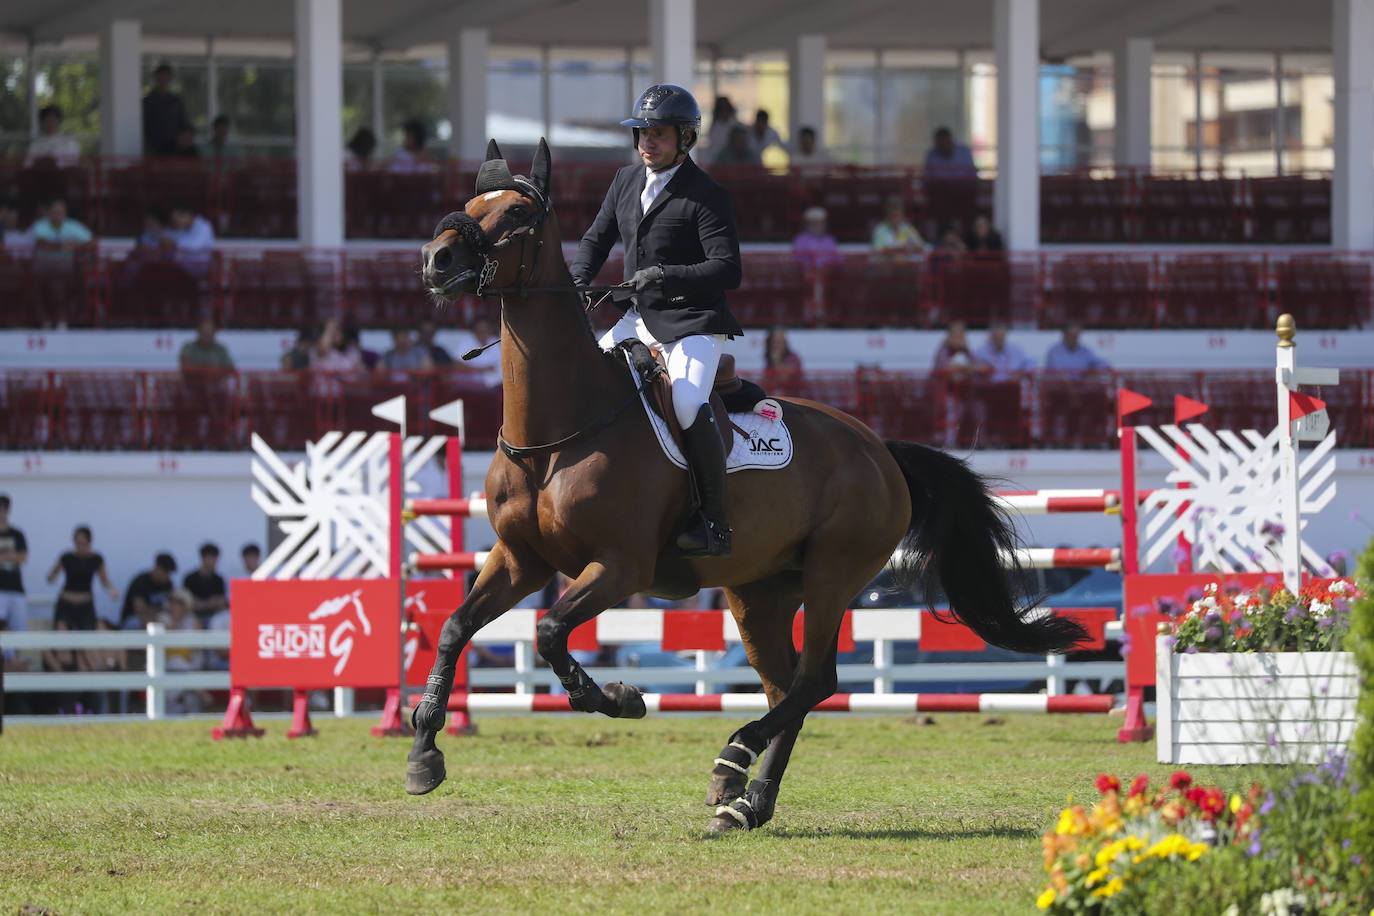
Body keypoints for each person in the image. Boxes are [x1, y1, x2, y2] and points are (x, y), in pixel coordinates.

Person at [570, 83, 744, 558]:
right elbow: (594, 240)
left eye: (660, 134)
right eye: (642, 133)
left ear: (685, 139)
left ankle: (713, 522)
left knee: (686, 403)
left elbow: (728, 269)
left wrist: (664, 276)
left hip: (692, 322)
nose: (648, 142)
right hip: (638, 318)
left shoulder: (707, 195)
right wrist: (580, 281)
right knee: (589, 383)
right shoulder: (625, 182)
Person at [43, 525, 119, 674]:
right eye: (77, 543)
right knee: (62, 636)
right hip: (66, 603)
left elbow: (104, 581)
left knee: (87, 639)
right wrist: (50, 577)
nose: (80, 547)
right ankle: (64, 671)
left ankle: (91, 671)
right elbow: (52, 575)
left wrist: (112, 591)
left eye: (83, 543)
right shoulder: (67, 557)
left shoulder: (96, 559)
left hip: (85, 605)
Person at [0, 495, 29, 666]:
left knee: (19, 628)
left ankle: (14, 660)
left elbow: (23, 557)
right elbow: (16, 556)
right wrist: (10, 557)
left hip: (16, 589)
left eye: (4, 510)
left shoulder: (17, 534)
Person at [120, 552, 177, 630]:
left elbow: (171, 606)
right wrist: (160, 611)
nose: (168, 576)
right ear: (157, 568)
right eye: (165, 572)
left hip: (157, 619)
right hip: (134, 620)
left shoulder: (168, 584)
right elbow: (140, 610)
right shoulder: (141, 582)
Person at [143, 62, 189, 157]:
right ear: (156, 78)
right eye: (161, 77)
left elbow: (183, 123)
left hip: (173, 150)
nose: (163, 80)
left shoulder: (175, 101)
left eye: (166, 77)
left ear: (170, 78)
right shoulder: (148, 101)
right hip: (153, 149)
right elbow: (144, 125)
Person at [183, 542, 227, 629]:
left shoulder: (218, 580)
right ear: (203, 558)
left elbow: (221, 602)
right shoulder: (190, 579)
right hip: (195, 616)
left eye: (215, 559)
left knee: (222, 619)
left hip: (214, 616)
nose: (214, 562)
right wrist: (208, 603)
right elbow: (188, 604)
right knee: (189, 621)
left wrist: (204, 603)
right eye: (211, 559)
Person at [167, 202, 215, 278]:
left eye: (177, 220)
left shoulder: (204, 226)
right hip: (184, 269)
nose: (176, 223)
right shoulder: (183, 229)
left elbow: (195, 247)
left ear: (187, 215)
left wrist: (173, 243)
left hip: (200, 269)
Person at [1044, 322, 1110, 376]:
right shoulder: (1054, 352)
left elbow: (1100, 363)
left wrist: (1104, 368)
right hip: (1059, 388)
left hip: (1081, 388)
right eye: (1071, 335)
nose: (1074, 338)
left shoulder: (1084, 351)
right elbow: (1057, 373)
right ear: (1064, 335)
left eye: (1076, 335)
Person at [791, 206, 840, 271]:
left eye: (820, 223)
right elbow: (798, 259)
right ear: (807, 224)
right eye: (813, 223)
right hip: (805, 274)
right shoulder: (800, 239)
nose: (817, 226)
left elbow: (836, 259)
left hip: (827, 274)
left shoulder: (830, 239)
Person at [462, 315, 502, 387]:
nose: (483, 332)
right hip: (473, 385)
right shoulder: (467, 341)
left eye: (485, 329)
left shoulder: (495, 341)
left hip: (497, 384)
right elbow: (457, 363)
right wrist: (482, 369)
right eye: (479, 329)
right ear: (474, 330)